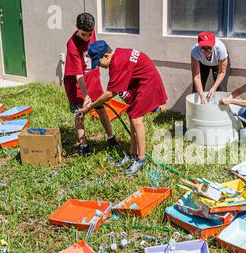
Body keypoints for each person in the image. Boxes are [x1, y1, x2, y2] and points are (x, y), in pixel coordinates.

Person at [78, 41, 168, 176]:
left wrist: (90, 106)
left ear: (106, 56)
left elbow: (110, 93)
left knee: (136, 119)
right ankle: (132, 154)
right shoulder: (119, 55)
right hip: (142, 81)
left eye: (99, 62)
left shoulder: (117, 63)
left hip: (148, 83)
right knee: (132, 113)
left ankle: (141, 158)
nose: (100, 66)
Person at [63, 12, 119, 157]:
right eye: (83, 34)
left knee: (101, 108)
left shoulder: (91, 32)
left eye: (89, 34)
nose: (87, 37)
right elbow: (78, 74)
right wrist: (86, 95)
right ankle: (84, 146)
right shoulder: (72, 45)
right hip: (77, 83)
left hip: (92, 78)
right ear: (77, 28)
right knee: (80, 113)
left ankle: (111, 138)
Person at [191, 32, 230, 104]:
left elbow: (222, 72)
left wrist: (213, 88)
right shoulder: (195, 51)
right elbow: (196, 76)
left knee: (221, 89)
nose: (206, 51)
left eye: (209, 47)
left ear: (213, 45)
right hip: (202, 63)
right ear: (199, 46)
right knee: (197, 90)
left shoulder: (220, 49)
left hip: (218, 62)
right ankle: (198, 111)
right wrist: (202, 95)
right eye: (203, 48)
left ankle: (219, 113)